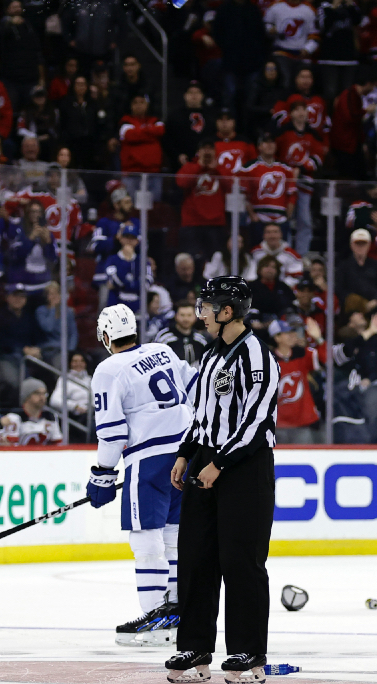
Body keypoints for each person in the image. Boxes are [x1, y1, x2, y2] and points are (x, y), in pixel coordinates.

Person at [166, 277, 278, 684]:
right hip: (206, 463)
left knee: (241, 561)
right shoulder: (211, 357)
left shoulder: (258, 356)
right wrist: (186, 453)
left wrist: (221, 462)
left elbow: (256, 419)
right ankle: (194, 645)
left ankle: (248, 652)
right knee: (196, 558)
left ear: (227, 311)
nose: (202, 314)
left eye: (208, 306)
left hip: (246, 469)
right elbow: (201, 415)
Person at [86, 305, 198, 645]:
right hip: (186, 452)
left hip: (148, 460)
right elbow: (196, 388)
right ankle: (179, 614)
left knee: (145, 539)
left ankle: (156, 619)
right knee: (175, 537)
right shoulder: (162, 350)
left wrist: (102, 474)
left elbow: (112, 434)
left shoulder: (108, 369)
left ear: (106, 337)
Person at [155, 302, 210, 366]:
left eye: (189, 315)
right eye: (182, 315)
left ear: (195, 317)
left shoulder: (200, 339)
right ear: (176, 316)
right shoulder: (164, 337)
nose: (186, 319)